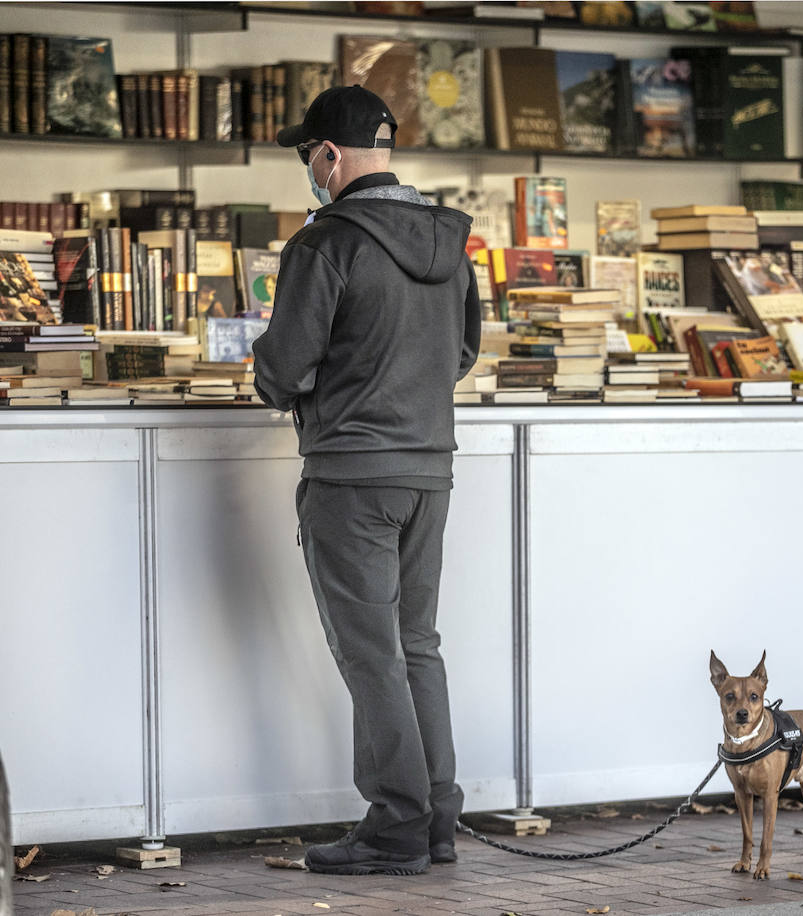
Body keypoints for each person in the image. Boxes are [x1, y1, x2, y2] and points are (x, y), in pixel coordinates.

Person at [252, 85, 483, 876]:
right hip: (431, 473)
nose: (310, 171)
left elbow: (281, 371)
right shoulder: (451, 242)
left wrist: (317, 390)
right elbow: (461, 356)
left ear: (330, 156)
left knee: (370, 654)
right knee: (416, 644)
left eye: (307, 157)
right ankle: (438, 820)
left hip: (351, 476)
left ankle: (394, 826)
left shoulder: (326, 245)